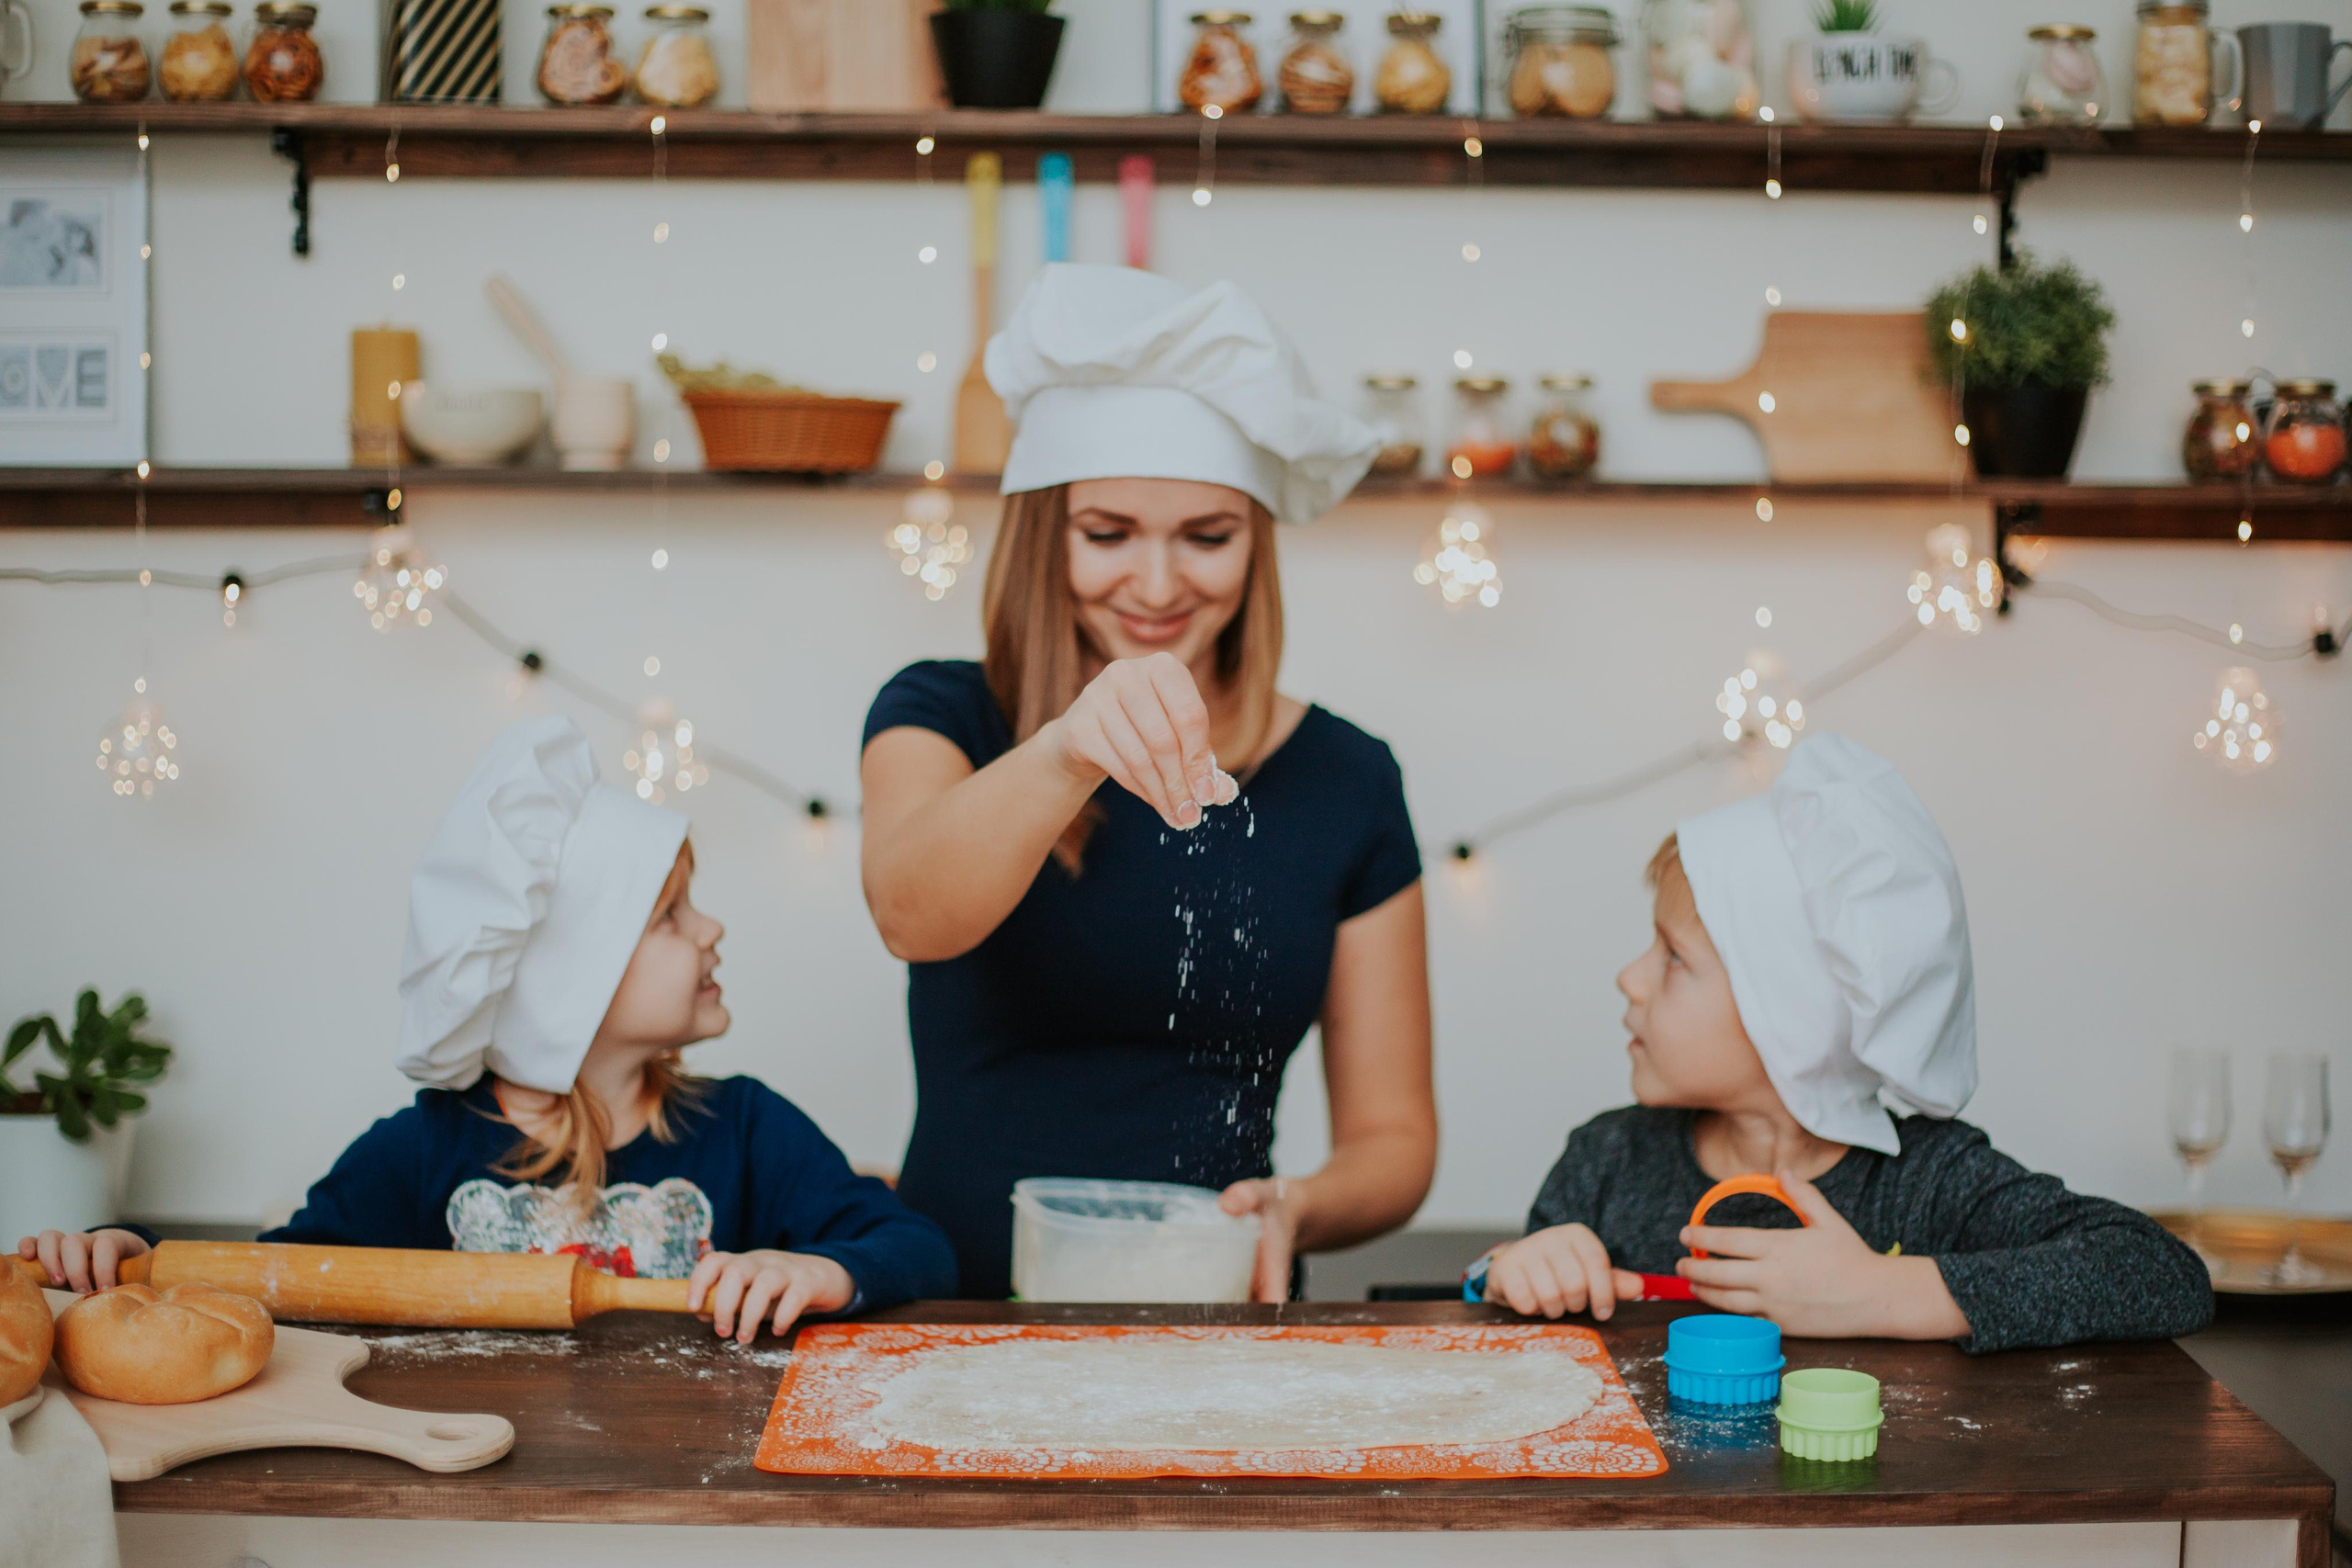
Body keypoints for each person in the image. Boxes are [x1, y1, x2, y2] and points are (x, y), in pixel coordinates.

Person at [860, 265, 1437, 1300]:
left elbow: (1393, 1140)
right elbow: (911, 913)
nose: (1160, 586)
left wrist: (1298, 1204)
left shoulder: (1348, 778)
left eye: (1206, 538)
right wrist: (1064, 750)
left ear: (1257, 540)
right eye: (1109, 534)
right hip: (954, 1308)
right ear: (1047, 533)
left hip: (1217, 1315)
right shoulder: (944, 716)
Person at [20, 716, 956, 1341]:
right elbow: (277, 1275)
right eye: (670, 916)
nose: (710, 930)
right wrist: (130, 1254)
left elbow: (918, 1248)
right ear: (564, 980)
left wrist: (827, 1271)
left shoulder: (747, 1130)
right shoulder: (427, 1149)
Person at [1473, 734, 2212, 1353]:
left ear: (1788, 1012)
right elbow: (1496, 1319)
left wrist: (1887, 1291)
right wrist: (1510, 1270)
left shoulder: (1926, 1182)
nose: (1629, 978)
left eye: (1673, 957)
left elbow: (2160, 1273)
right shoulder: (1606, 1161)